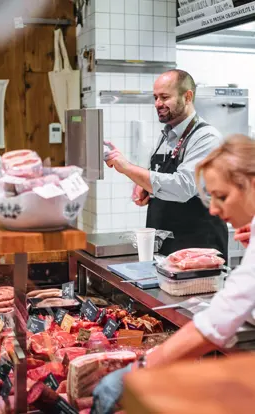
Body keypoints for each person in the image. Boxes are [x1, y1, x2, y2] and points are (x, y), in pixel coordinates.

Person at [93, 134, 255, 413]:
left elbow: (217, 322)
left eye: (222, 197)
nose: (214, 209)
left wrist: (141, 369)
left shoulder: (203, 136)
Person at [105, 69, 228, 260]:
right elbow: (161, 177)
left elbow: (182, 187)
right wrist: (145, 187)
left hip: (198, 248)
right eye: (155, 97)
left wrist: (127, 168)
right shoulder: (167, 136)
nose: (157, 104)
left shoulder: (206, 138)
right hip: (168, 245)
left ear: (187, 96)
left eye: (164, 97)